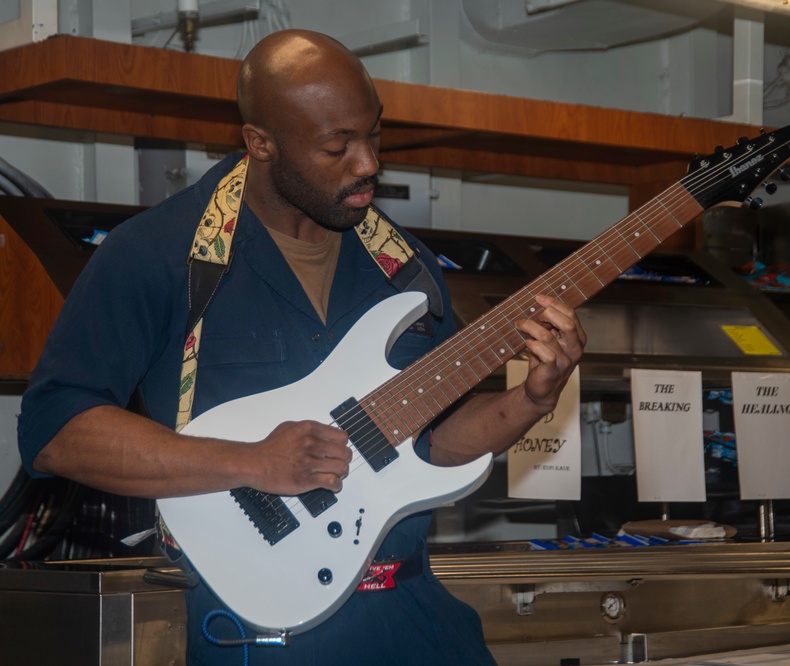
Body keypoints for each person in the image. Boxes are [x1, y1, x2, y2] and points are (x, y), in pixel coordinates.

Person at [17, 29, 586, 665]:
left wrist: (532, 399)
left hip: (414, 621)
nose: (367, 162)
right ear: (260, 143)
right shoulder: (158, 255)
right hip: (257, 635)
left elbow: (433, 442)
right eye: (337, 146)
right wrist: (250, 461)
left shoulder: (404, 267)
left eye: (373, 135)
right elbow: (54, 428)